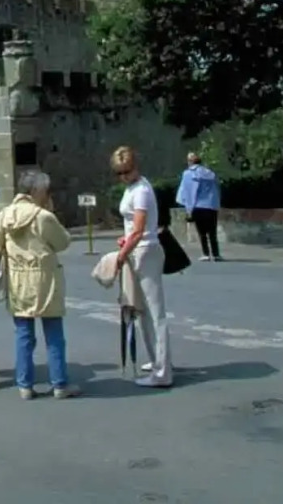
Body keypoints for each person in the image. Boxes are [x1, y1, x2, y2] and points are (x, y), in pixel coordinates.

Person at [0, 170, 77, 399]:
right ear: (38, 191)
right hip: (45, 278)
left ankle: (25, 385)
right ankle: (59, 384)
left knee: (23, 334)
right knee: (54, 333)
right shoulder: (43, 217)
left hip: (18, 279)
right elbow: (63, 242)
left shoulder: (4, 215)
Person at [112, 146, 172, 388]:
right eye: (119, 173)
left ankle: (163, 371)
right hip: (139, 249)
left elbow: (138, 230)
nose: (123, 176)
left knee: (154, 312)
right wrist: (125, 242)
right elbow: (133, 229)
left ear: (136, 166)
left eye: (127, 171)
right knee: (143, 311)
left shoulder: (142, 191)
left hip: (145, 251)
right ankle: (157, 360)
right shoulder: (134, 188)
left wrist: (120, 255)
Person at [177, 152, 223, 261]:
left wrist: (188, 209)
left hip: (197, 205)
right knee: (212, 231)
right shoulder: (210, 173)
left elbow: (188, 192)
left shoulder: (188, 174)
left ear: (190, 162)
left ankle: (206, 253)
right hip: (211, 205)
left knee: (202, 232)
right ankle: (216, 254)